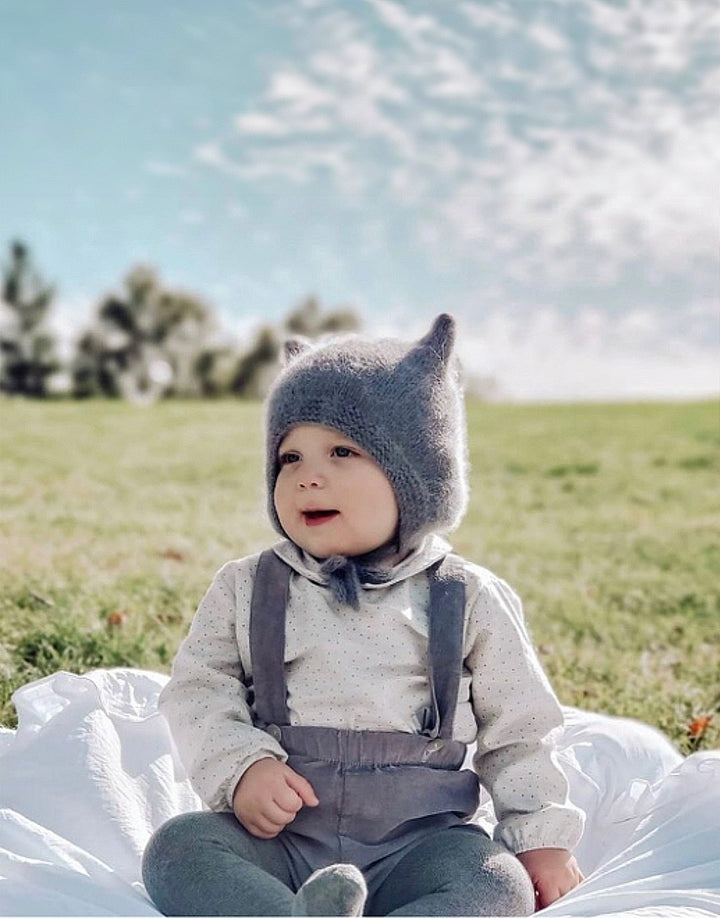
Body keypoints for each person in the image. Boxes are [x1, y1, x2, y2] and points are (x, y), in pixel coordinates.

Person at [142, 314, 585, 916]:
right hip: (283, 841)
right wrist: (241, 767)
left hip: (420, 846)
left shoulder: (467, 595)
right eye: (289, 456)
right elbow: (198, 689)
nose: (307, 476)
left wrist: (540, 839)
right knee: (179, 848)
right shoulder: (248, 586)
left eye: (342, 450)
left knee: (494, 884)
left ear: (417, 477)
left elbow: (520, 728)